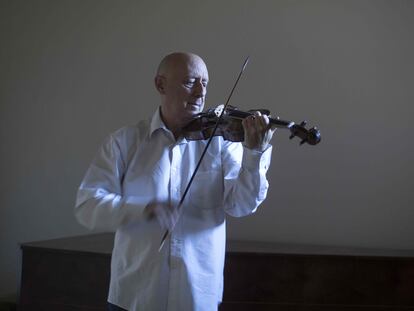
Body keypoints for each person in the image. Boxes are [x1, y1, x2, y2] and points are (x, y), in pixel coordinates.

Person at [75, 52, 275, 311]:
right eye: (190, 81)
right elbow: (88, 204)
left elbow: (242, 206)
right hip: (134, 296)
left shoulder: (223, 142)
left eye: (205, 83)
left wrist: (254, 154)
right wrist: (141, 211)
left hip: (196, 296)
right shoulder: (124, 142)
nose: (200, 92)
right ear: (161, 84)